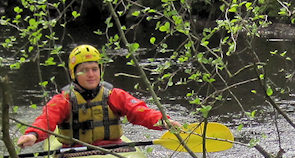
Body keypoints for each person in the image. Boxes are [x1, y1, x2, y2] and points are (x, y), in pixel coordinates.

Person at [16, 44, 175, 150]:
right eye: (84, 70)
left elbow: (140, 112)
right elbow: (46, 119)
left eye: (94, 69)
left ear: (100, 70)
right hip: (74, 152)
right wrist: (33, 135)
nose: (91, 74)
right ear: (74, 74)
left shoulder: (114, 95)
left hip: (113, 149)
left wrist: (163, 121)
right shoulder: (63, 100)